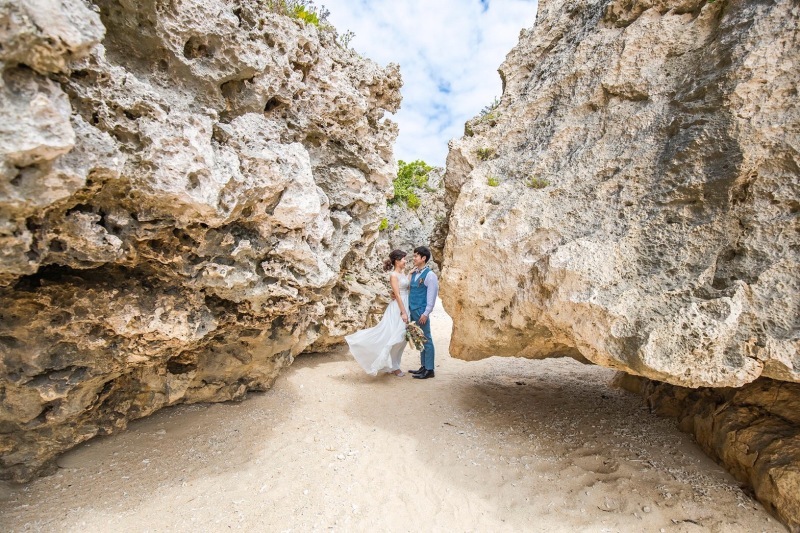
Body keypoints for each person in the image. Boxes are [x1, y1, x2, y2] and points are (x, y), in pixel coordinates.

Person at [345, 249, 409, 377]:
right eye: (403, 259)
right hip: (398, 308)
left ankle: (394, 364)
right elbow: (397, 294)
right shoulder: (393, 275)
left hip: (406, 304)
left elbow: (405, 287)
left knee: (402, 339)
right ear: (397, 261)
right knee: (395, 336)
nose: (405, 261)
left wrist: (411, 274)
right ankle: (394, 366)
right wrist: (403, 312)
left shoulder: (403, 274)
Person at [407, 246, 439, 379]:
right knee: (419, 338)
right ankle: (424, 366)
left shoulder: (430, 275)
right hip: (412, 310)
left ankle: (430, 369)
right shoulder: (414, 273)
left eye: (416, 256)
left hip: (421, 312)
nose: (413, 258)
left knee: (426, 338)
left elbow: (432, 296)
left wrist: (426, 313)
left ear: (423, 258)